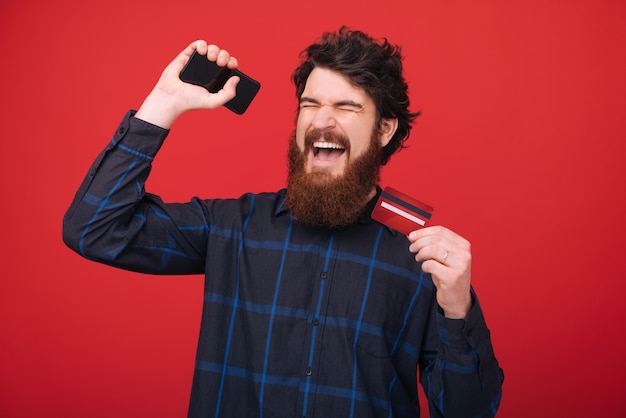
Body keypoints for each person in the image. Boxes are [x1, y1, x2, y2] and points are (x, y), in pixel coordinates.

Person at [63, 27, 503, 418]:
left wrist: (457, 306)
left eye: (347, 107)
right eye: (310, 103)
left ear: (385, 130)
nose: (321, 120)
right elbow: (95, 229)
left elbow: (469, 410)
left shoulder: (418, 255)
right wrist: (162, 106)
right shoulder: (233, 226)